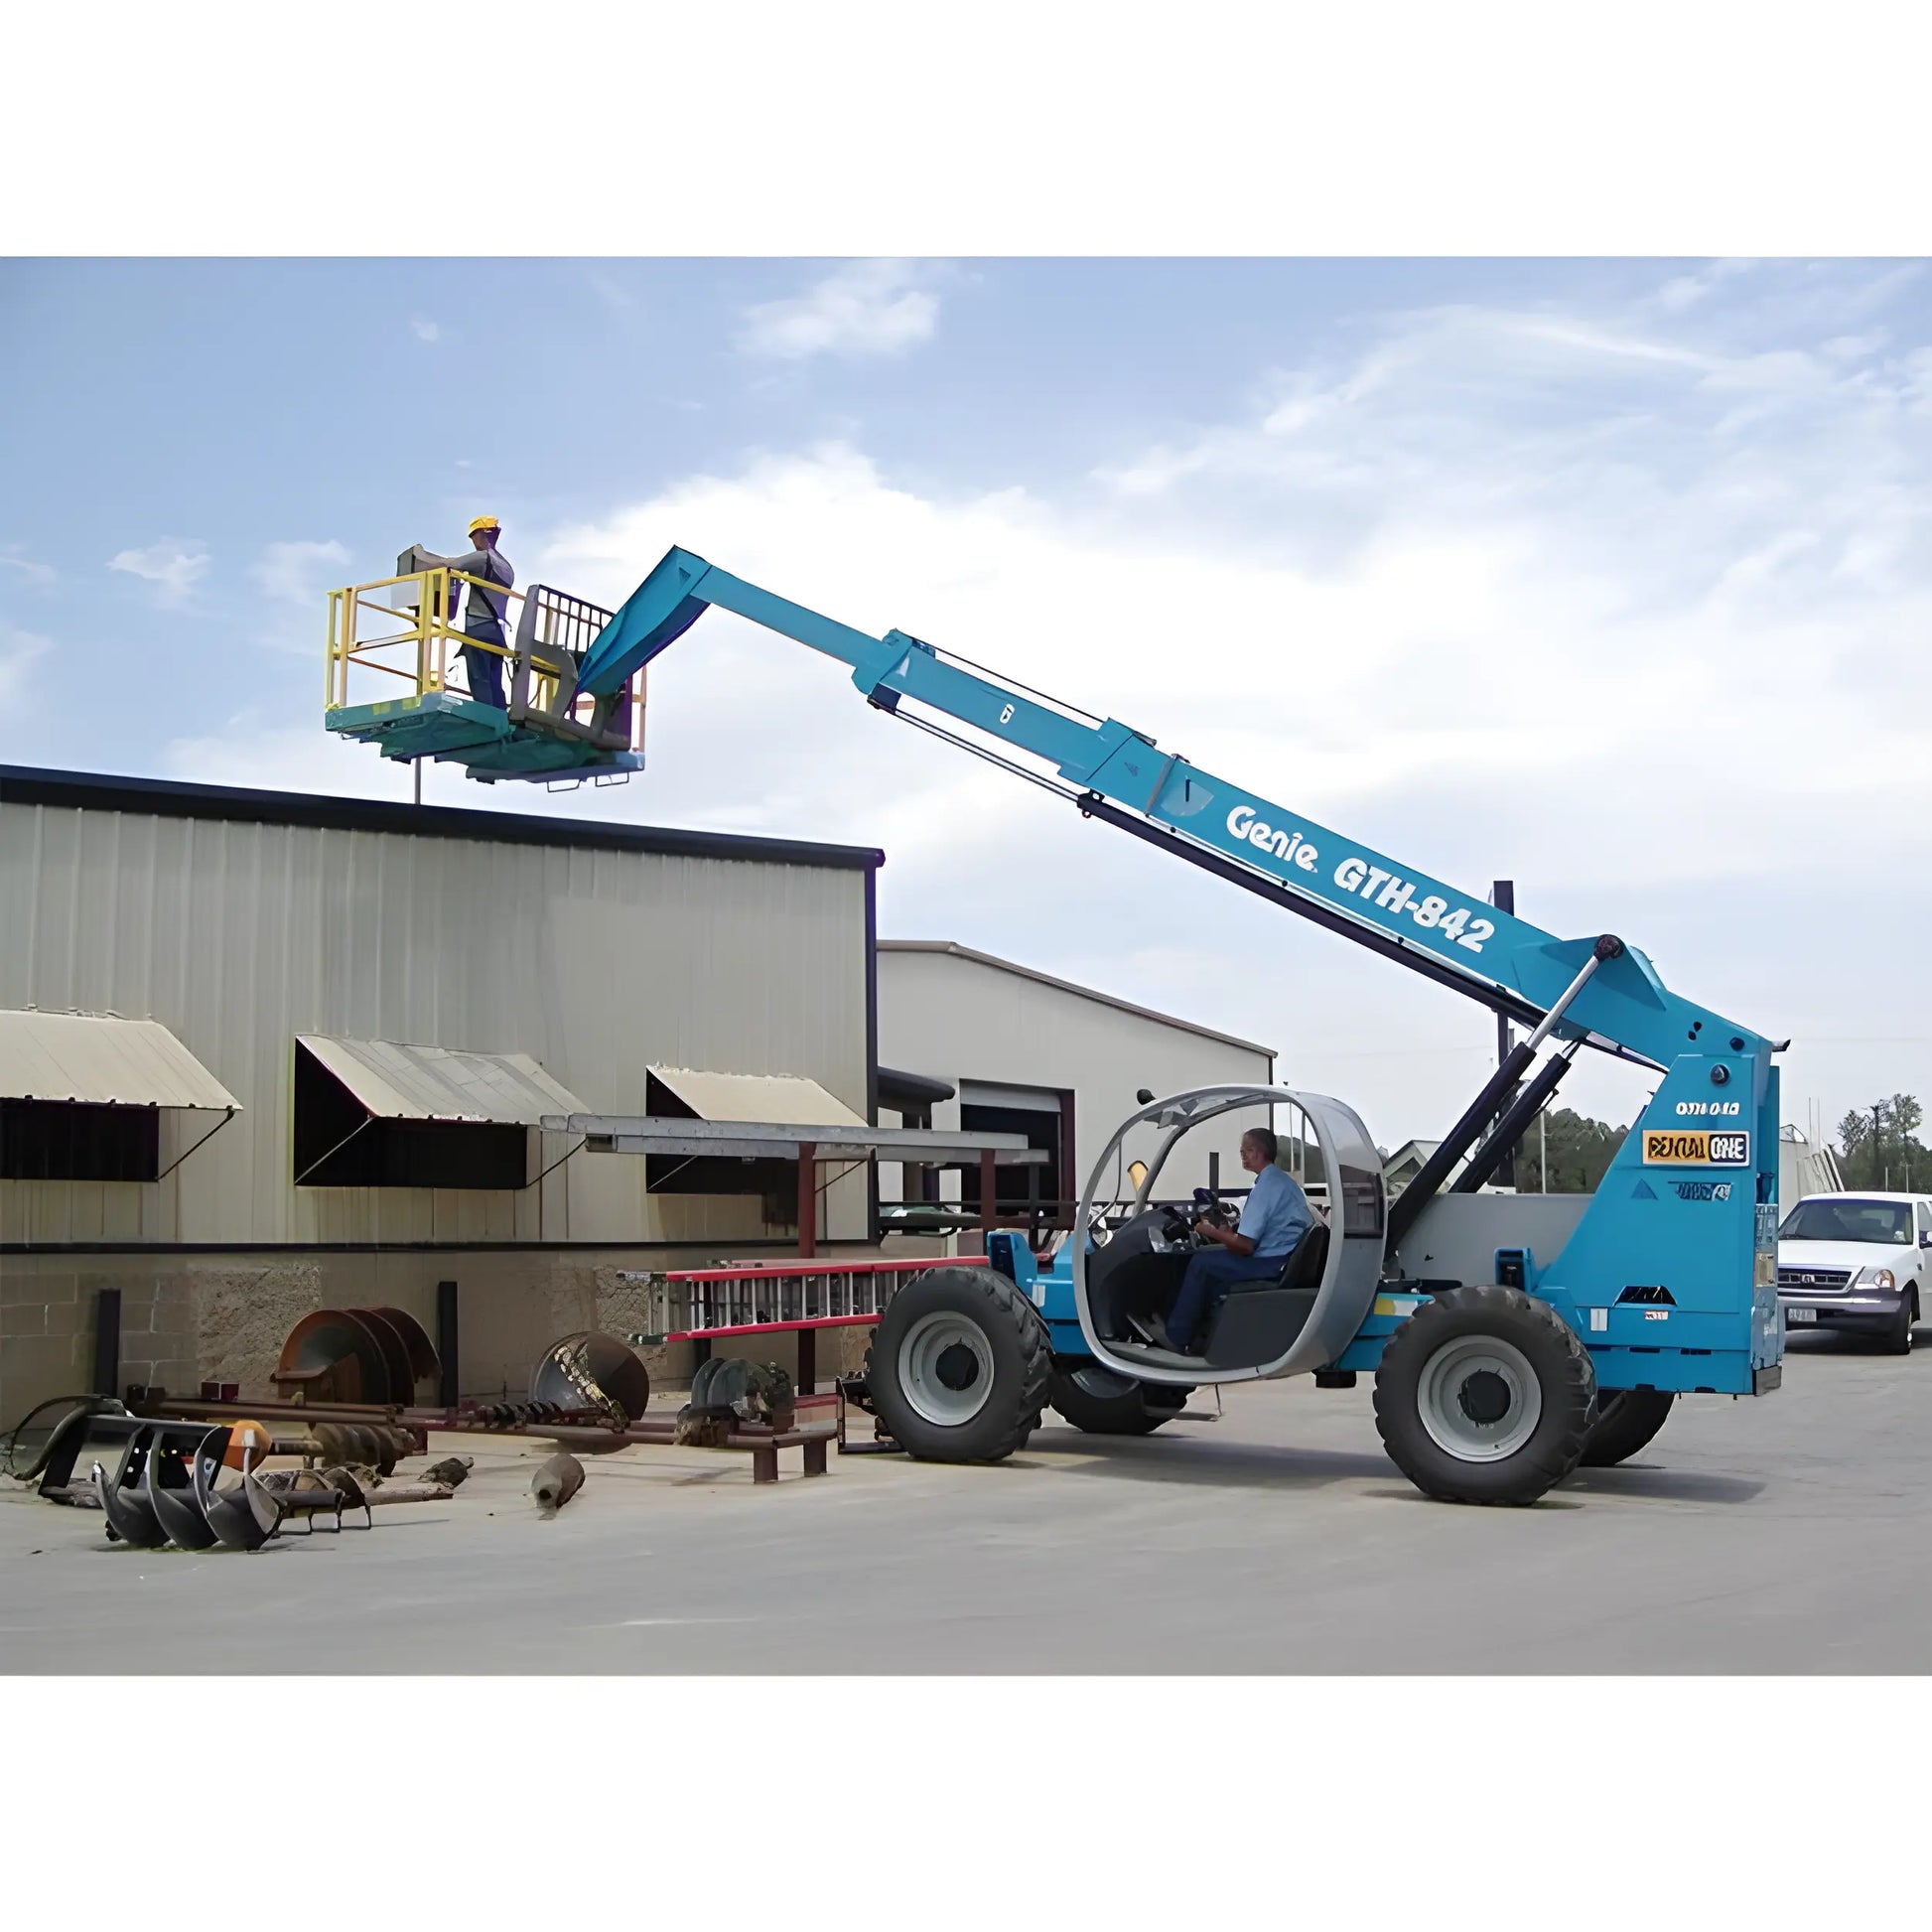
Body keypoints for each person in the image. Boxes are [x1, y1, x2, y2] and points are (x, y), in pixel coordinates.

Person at [1157, 1127, 1313, 1354]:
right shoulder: (1283, 1183)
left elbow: (1245, 1246)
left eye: (1245, 1150)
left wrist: (1208, 1230)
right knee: (1213, 1269)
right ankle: (1205, 1336)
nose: (1242, 1155)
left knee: (1200, 1264)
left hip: (1269, 1263)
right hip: (1281, 1257)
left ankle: (1176, 1338)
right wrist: (1225, 1231)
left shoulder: (1266, 1189)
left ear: (1257, 1152)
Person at [419, 516, 514, 708]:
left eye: (473, 536)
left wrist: (418, 554)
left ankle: (487, 717)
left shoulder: (483, 558)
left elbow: (447, 564)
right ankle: (500, 715)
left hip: (478, 628)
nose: (473, 541)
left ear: (482, 535)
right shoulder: (507, 567)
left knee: (480, 679)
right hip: (497, 632)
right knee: (494, 680)